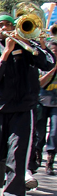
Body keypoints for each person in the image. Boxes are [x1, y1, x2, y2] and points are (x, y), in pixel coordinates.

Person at [0, 14, 55, 196]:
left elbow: (48, 64)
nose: (7, 28)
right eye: (1, 25)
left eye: (10, 24)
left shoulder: (28, 46)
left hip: (24, 109)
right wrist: (6, 52)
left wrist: (38, 45)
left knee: (17, 156)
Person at [33, 40, 57, 176]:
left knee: (54, 133)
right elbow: (38, 84)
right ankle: (37, 157)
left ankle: (50, 161)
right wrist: (52, 70)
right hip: (41, 102)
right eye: (53, 52)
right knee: (39, 133)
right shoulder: (43, 65)